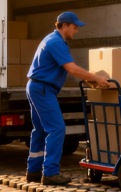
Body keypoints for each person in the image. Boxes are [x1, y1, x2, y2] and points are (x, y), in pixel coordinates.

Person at [25, 12, 109, 185]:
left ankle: (33, 171)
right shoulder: (56, 42)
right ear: (64, 26)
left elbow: (71, 68)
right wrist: (96, 78)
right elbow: (72, 69)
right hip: (42, 89)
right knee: (57, 129)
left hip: (36, 87)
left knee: (40, 129)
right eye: (74, 27)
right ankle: (50, 173)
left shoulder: (52, 39)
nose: (76, 31)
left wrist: (88, 78)